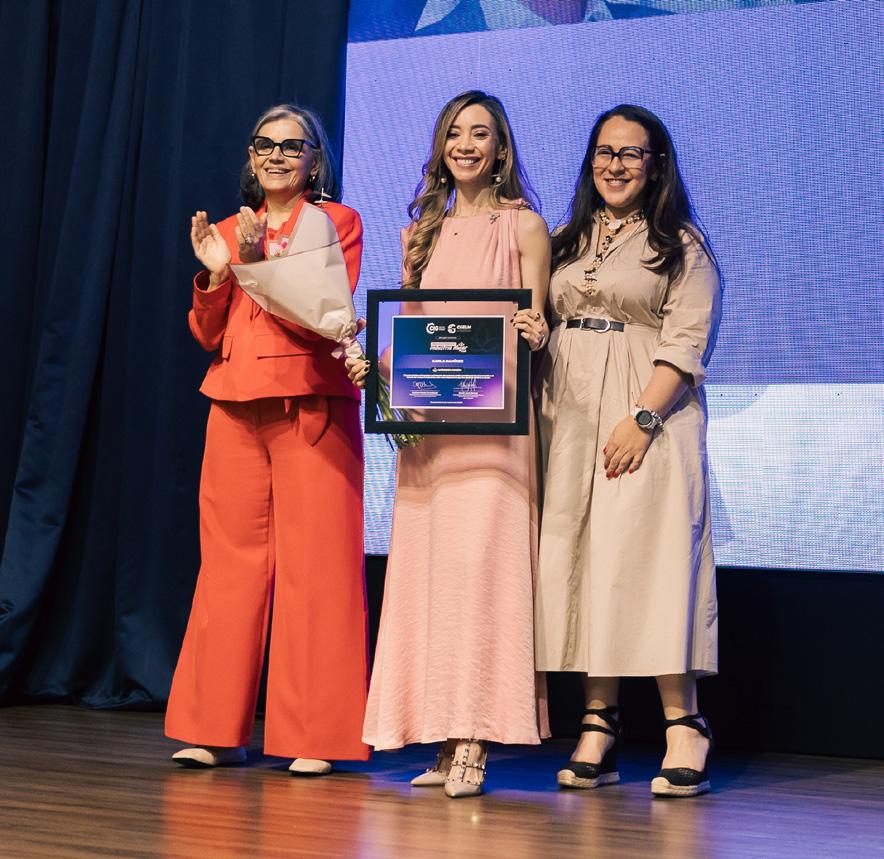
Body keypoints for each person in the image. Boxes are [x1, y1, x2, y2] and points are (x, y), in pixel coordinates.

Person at [347, 90, 551, 798]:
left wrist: (536, 332)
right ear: (441, 146)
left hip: (495, 435)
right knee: (431, 582)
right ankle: (440, 736)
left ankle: (474, 739)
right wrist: (379, 370)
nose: (466, 144)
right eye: (455, 132)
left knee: (482, 576)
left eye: (481, 133)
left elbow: (536, 324)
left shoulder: (524, 226)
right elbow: (414, 328)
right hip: (431, 436)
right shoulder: (421, 232)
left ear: (501, 149)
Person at [165, 104, 369, 774]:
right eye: (264, 144)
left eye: (292, 145)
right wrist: (215, 277)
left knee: (318, 569)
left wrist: (254, 264)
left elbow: (323, 317)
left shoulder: (334, 222)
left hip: (309, 401)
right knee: (229, 566)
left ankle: (315, 734)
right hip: (233, 404)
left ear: (315, 160)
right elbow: (208, 333)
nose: (276, 155)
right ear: (251, 158)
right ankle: (213, 727)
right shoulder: (230, 229)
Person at [535, 104, 722, 797]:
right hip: (568, 415)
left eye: (630, 153)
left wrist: (642, 418)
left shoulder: (681, 243)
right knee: (586, 562)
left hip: (647, 414)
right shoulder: (565, 239)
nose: (614, 165)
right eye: (604, 151)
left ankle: (684, 725)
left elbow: (687, 339)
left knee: (652, 561)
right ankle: (599, 723)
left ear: (656, 165)